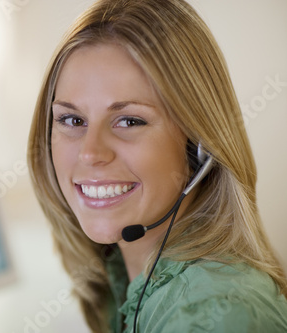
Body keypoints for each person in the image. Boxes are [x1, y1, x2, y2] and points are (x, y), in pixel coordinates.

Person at [27, 0, 287, 332]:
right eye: (72, 119)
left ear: (199, 146)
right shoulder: (121, 274)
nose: (90, 153)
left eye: (129, 120)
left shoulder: (215, 315)